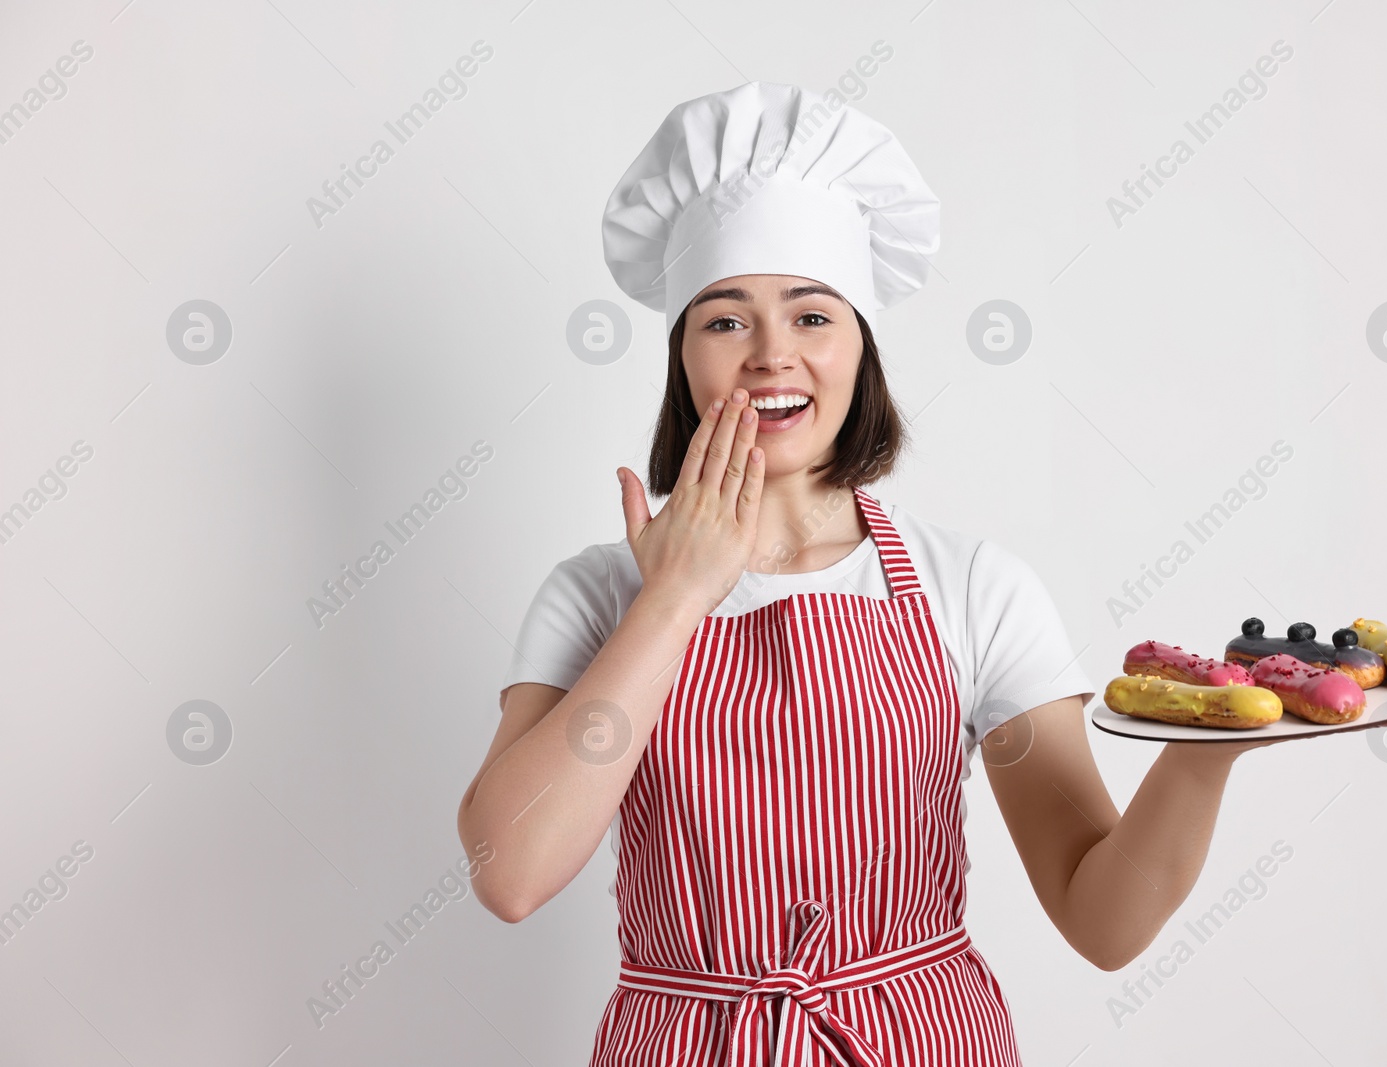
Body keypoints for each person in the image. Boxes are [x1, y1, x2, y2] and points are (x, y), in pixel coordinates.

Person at [457, 81, 1276, 1067]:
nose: (771, 356)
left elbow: (1100, 918)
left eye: (811, 316)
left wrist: (1206, 747)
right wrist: (671, 599)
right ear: (682, 359)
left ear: (861, 347)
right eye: (724, 321)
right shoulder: (597, 595)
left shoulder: (972, 586)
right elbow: (511, 871)